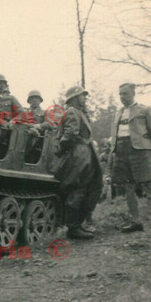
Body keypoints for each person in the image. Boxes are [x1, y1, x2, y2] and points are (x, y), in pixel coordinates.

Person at [108, 83, 151, 233]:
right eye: (120, 94)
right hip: (121, 151)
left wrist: (146, 149)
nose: (122, 97)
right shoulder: (118, 113)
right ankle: (136, 222)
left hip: (140, 152)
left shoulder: (145, 110)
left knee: (150, 184)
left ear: (133, 93)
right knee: (128, 187)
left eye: (125, 94)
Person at [52, 85, 103, 240]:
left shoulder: (79, 112)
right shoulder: (73, 112)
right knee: (78, 189)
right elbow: (70, 134)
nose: (85, 98)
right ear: (74, 98)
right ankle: (73, 228)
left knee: (87, 187)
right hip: (79, 154)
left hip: (84, 152)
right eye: (82, 95)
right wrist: (62, 149)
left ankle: (78, 225)